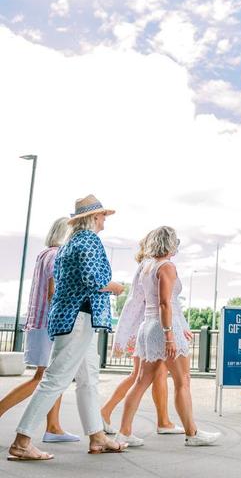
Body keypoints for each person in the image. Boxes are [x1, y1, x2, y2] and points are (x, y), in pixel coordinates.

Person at [7, 195, 127, 461]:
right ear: (94, 217)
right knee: (56, 379)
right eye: (103, 215)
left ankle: (97, 436)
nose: (105, 219)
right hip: (80, 317)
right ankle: (22, 441)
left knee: (88, 379)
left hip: (70, 316)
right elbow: (93, 279)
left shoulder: (69, 243)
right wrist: (115, 286)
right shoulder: (89, 241)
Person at [115, 226, 220, 448]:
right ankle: (193, 433)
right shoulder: (167, 267)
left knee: (142, 381)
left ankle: (123, 433)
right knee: (183, 382)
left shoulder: (147, 266)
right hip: (163, 328)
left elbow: (152, 302)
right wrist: (170, 336)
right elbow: (166, 303)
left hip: (148, 325)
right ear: (170, 243)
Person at [0, 217, 79, 443]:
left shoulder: (44, 254)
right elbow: (54, 291)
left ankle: (53, 428)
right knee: (43, 377)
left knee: (55, 376)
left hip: (39, 321)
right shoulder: (57, 256)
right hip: (49, 324)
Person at [101, 231, 183, 435]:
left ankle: (163, 421)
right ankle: (105, 413)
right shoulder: (153, 266)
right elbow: (154, 301)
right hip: (148, 324)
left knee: (155, 375)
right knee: (141, 376)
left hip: (145, 324)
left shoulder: (147, 265)